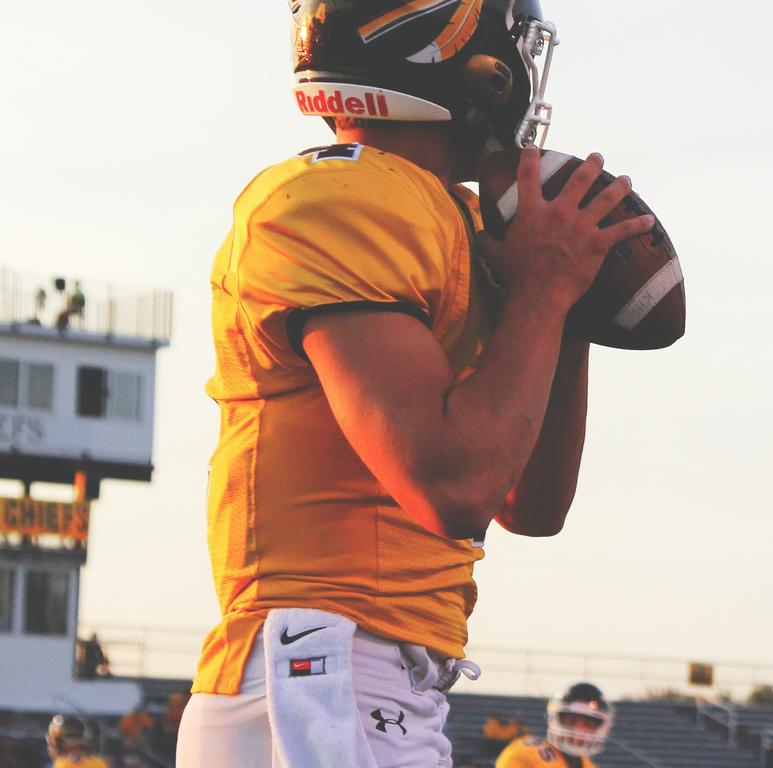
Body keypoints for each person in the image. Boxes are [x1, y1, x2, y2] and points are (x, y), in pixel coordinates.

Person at [179, 2, 655, 767]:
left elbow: (529, 504)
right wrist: (542, 290)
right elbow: (450, 483)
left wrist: (563, 304)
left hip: (377, 677)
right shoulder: (337, 198)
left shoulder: (455, 219)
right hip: (324, 664)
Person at [496, 683, 616, 768]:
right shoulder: (526, 754)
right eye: (571, 721)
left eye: (587, 724)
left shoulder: (587, 765)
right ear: (555, 719)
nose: (578, 730)